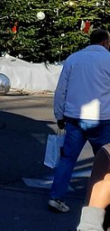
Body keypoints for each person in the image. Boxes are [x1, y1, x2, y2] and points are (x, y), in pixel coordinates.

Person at [50, 29, 110, 213]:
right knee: (106, 161)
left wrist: (59, 116)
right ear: (105, 42)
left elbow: (61, 90)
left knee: (68, 159)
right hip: (102, 119)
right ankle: (103, 200)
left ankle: (56, 197)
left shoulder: (73, 59)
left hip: (75, 118)